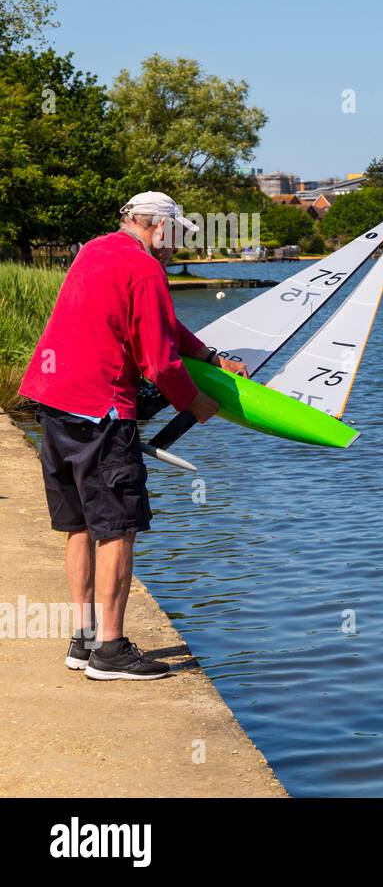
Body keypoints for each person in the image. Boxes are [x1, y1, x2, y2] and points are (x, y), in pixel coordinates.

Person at [18, 192, 247, 681]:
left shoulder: (95, 250)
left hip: (53, 399)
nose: (175, 248)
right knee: (116, 529)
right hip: (101, 412)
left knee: (79, 525)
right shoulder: (146, 270)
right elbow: (159, 361)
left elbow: (161, 325)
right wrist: (194, 402)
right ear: (157, 228)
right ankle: (111, 651)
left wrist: (208, 356)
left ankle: (82, 640)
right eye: (175, 236)